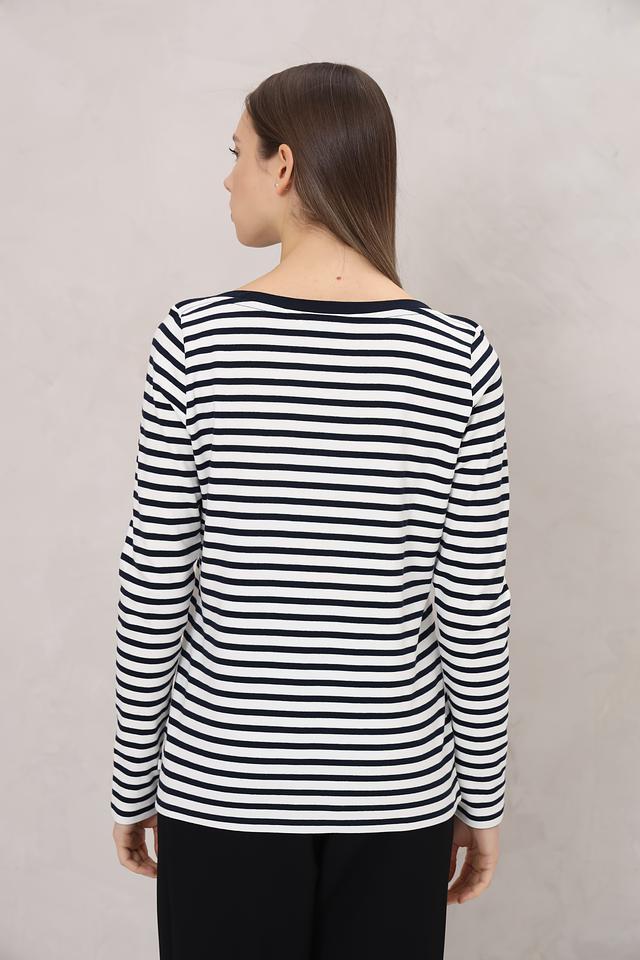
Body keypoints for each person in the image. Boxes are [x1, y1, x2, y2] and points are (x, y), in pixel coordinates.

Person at [110, 61, 511, 959]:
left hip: (226, 790)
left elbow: (156, 583)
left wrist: (133, 781)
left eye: (237, 153)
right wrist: (482, 802)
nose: (228, 178)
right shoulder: (458, 355)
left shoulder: (196, 340)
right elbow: (473, 605)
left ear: (283, 165)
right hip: (397, 796)